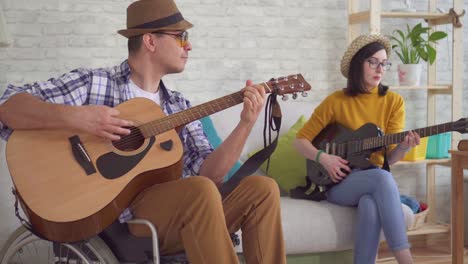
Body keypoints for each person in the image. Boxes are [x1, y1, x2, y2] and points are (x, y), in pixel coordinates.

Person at [0, 0, 286, 263]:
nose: (189, 47)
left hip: (181, 214)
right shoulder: (94, 83)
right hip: (121, 219)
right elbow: (7, 105)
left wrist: (246, 122)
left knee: (262, 188)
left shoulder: (179, 107)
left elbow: (210, 174)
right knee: (198, 191)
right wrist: (78, 117)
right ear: (150, 41)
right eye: (181, 37)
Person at [294, 34, 418, 264]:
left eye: (384, 63)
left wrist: (403, 147)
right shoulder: (336, 101)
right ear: (358, 63)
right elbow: (300, 141)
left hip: (372, 176)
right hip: (338, 182)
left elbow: (390, 158)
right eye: (373, 61)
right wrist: (324, 158)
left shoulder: (394, 102)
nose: (380, 68)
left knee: (370, 204)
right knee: (381, 179)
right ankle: (406, 260)